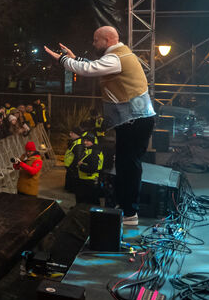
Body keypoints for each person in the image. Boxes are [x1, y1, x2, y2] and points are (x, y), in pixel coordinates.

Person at [45, 26, 156, 225]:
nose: (93, 43)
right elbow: (96, 65)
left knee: (129, 167)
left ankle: (130, 213)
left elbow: (88, 69)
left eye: (96, 40)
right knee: (124, 165)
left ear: (107, 39)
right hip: (133, 120)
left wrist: (62, 60)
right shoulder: (117, 56)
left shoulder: (117, 57)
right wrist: (75, 58)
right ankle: (126, 209)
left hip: (135, 121)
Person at [74, 133, 104, 205]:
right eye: (84, 140)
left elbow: (92, 169)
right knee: (88, 201)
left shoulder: (94, 153)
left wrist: (80, 165)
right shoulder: (90, 150)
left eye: (88, 141)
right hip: (86, 180)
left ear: (93, 142)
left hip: (89, 181)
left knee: (90, 202)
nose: (85, 142)